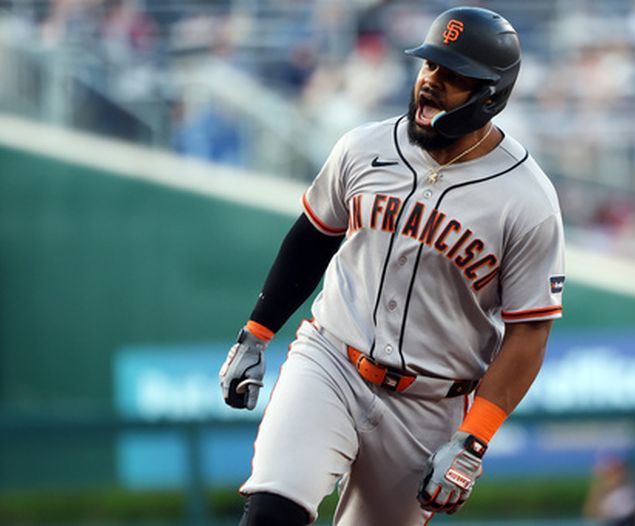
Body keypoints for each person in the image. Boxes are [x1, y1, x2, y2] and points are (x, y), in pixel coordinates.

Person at [218, 7, 565, 525]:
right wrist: (256, 332)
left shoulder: (527, 199)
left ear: (490, 95)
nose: (431, 83)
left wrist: (474, 439)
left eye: (453, 77)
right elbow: (314, 236)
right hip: (332, 360)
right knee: (271, 511)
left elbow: (529, 331)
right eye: (430, 67)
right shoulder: (364, 146)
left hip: (428, 402)